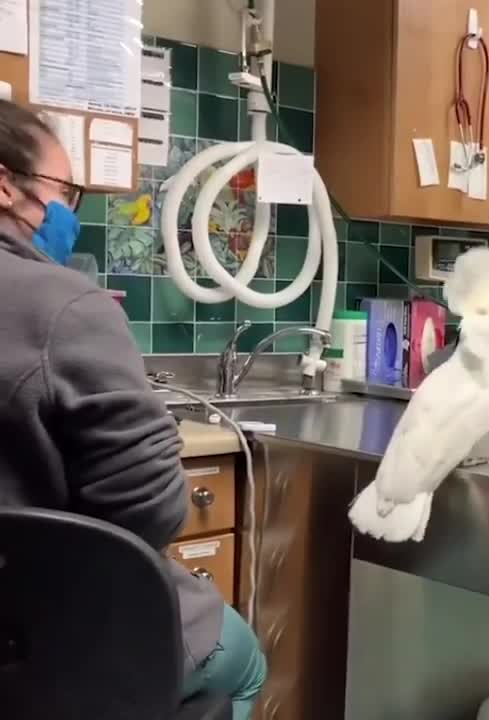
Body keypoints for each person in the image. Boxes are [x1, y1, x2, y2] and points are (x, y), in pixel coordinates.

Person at [0, 100, 267, 719]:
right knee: (245, 660)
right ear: (6, 188)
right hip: (59, 642)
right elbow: (150, 514)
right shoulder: (67, 306)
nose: (70, 212)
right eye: (66, 191)